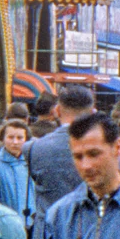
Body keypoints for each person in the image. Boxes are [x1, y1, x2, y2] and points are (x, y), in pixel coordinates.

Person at [23, 83, 93, 211]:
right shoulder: (106, 148)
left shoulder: (33, 148)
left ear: (57, 110)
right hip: (90, 226)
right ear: (93, 112)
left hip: (48, 227)